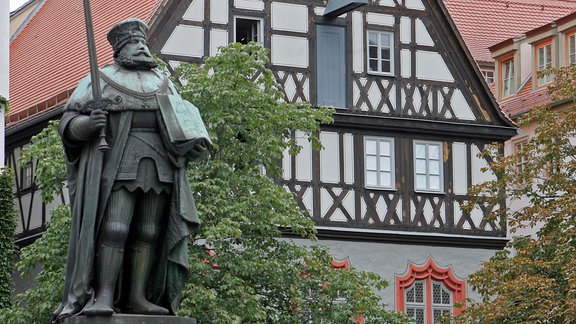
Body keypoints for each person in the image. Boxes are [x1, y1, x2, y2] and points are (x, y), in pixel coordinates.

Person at [52, 18, 211, 320]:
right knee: (115, 228)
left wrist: (193, 144)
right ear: (120, 49)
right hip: (119, 162)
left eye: (142, 43)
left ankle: (138, 297)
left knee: (149, 231)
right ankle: (106, 295)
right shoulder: (99, 79)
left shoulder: (163, 82)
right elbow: (68, 124)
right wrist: (87, 124)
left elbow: (184, 123)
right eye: (133, 44)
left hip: (161, 165)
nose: (140, 47)